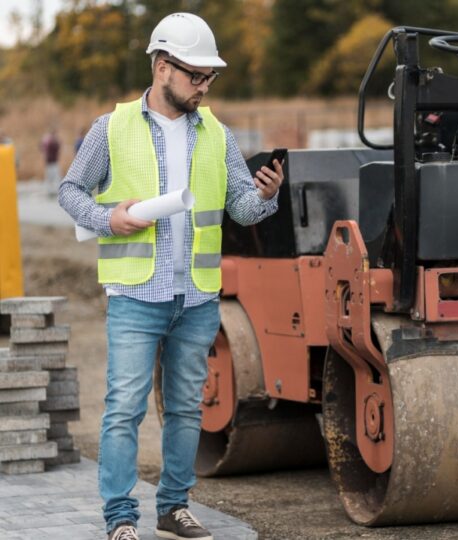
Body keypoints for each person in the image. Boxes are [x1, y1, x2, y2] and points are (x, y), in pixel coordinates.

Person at [58, 12, 284, 540]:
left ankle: (173, 507)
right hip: (136, 293)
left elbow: (241, 209)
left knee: (186, 408)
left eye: (210, 78)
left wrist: (266, 197)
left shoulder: (218, 135)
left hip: (197, 297)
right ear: (162, 67)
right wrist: (106, 218)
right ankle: (119, 519)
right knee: (123, 410)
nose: (204, 86)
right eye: (195, 75)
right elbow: (71, 191)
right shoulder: (111, 127)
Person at [41, 127, 61, 196]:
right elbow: (57, 147)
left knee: (51, 178)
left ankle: (50, 191)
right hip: (52, 162)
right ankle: (53, 191)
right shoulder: (51, 141)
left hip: (49, 162)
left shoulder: (46, 140)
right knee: (55, 177)